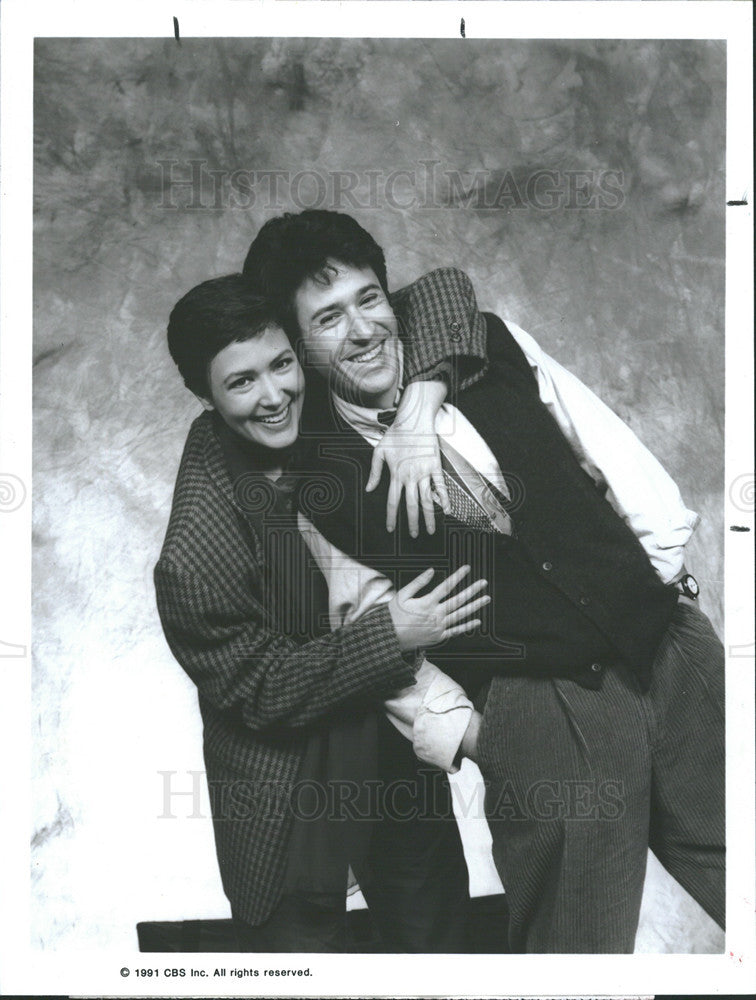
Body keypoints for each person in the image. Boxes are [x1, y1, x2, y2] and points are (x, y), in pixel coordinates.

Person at [242, 208, 726, 954]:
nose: (363, 329)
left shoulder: (485, 346)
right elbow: (372, 637)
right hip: (544, 712)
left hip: (668, 650)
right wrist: (480, 737)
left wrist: (654, 593)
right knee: (576, 949)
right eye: (329, 318)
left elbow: (608, 448)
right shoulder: (314, 482)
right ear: (297, 344)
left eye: (369, 299)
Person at [154, 270, 492, 953]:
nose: (275, 396)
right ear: (203, 395)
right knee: (305, 969)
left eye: (282, 365)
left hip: (392, 758)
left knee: (441, 953)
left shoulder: (320, 392)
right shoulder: (194, 552)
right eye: (241, 383)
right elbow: (256, 687)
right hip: (285, 790)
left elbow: (442, 295)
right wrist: (388, 634)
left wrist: (421, 409)